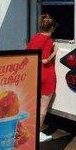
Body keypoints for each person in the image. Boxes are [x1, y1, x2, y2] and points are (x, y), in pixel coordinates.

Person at [27, 14, 58, 142]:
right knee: (43, 107)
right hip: (46, 74)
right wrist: (54, 52)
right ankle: (37, 133)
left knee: (33, 104)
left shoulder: (35, 38)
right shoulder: (49, 41)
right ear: (51, 28)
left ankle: (29, 129)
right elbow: (44, 60)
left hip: (34, 73)